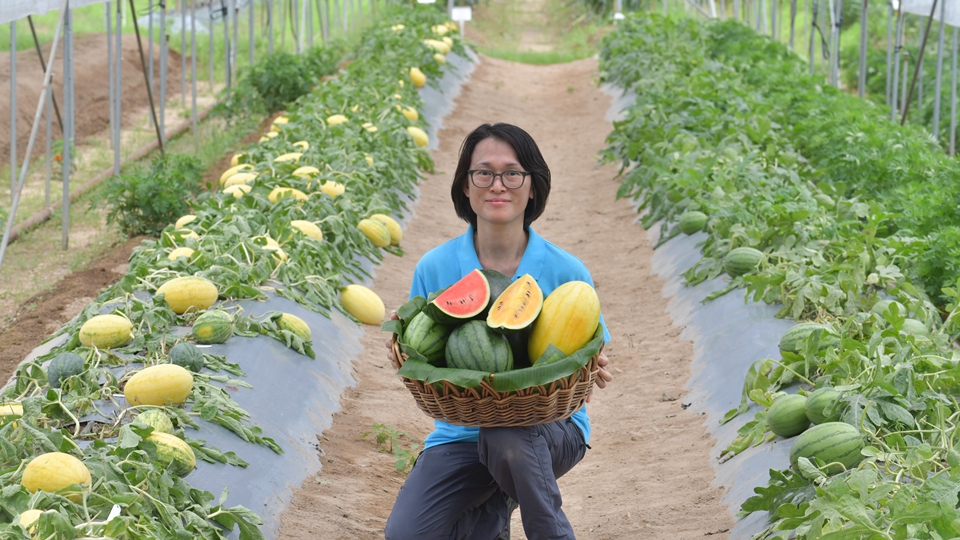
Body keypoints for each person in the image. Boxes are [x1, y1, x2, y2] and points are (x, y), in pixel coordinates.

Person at [383, 122, 613, 540]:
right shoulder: (434, 268)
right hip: (459, 434)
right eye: (482, 173)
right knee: (407, 534)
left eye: (512, 173)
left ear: (532, 187)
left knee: (506, 434)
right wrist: (408, 354)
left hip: (550, 427)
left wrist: (593, 364)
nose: (497, 186)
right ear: (465, 188)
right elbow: (424, 353)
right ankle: (493, 503)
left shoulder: (568, 272)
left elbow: (592, 353)